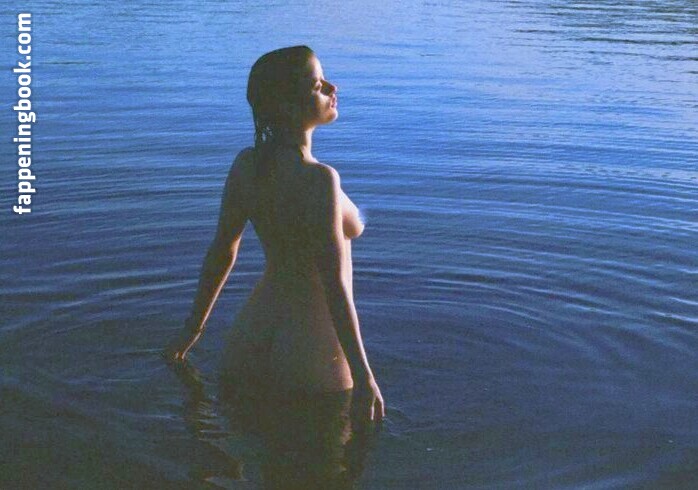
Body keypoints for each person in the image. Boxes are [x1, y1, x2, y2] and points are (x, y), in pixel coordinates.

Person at [164, 45, 385, 424]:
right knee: (321, 456)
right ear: (287, 107)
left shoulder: (247, 166)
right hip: (310, 353)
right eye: (318, 85)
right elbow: (334, 285)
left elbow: (222, 252)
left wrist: (192, 329)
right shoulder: (320, 181)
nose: (332, 88)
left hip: (250, 338)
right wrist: (365, 376)